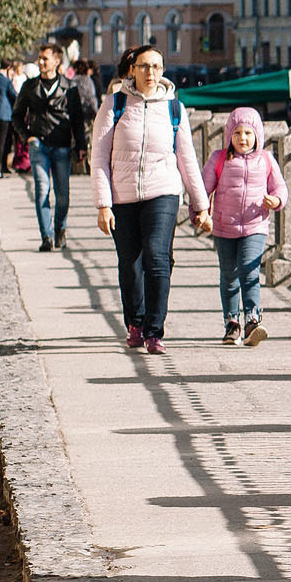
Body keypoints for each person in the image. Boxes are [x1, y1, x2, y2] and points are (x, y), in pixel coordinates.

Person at [89, 45, 208, 355]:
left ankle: (155, 331)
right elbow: (99, 156)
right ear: (133, 70)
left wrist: (201, 204)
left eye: (156, 66)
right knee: (130, 265)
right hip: (123, 197)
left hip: (163, 192)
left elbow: (187, 159)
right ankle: (136, 323)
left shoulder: (173, 109)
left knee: (157, 257)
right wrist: (103, 204)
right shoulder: (114, 105)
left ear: (163, 70)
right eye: (144, 66)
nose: (150, 73)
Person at [201, 107, 286, 346]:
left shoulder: (266, 160)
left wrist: (276, 200)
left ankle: (252, 320)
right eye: (237, 133)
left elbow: (280, 187)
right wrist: (200, 213)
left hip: (254, 226)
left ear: (257, 135)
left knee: (249, 271)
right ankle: (232, 323)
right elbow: (203, 189)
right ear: (229, 135)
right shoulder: (219, 159)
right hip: (224, 227)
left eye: (248, 133)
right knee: (229, 275)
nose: (243, 138)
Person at [10, 42, 95, 251]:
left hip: (62, 145)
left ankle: (60, 230)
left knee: (63, 193)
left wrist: (81, 146)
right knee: (41, 190)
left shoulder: (70, 88)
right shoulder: (29, 87)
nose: (40, 61)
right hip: (38, 144)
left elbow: (77, 119)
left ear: (57, 61)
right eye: (39, 58)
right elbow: (17, 116)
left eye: (44, 58)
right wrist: (26, 136)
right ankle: (46, 237)